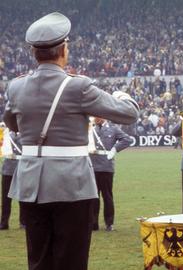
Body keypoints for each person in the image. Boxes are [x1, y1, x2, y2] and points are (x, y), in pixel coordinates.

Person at [3, 12, 139, 270]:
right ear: (64, 50)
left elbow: (12, 124)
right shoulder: (79, 87)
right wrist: (121, 94)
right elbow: (130, 114)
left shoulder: (16, 87)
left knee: (39, 261)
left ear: (34, 53)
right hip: (71, 184)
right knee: (72, 261)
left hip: (31, 184)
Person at [89, 117, 133, 231]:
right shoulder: (90, 128)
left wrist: (115, 149)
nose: (95, 119)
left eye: (97, 117)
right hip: (92, 166)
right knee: (94, 197)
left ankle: (109, 223)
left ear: (103, 117)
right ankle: (93, 223)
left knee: (107, 196)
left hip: (106, 167)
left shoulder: (113, 129)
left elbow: (127, 140)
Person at [0, 128, 25, 229]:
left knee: (23, 196)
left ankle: (23, 222)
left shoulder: (25, 133)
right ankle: (4, 222)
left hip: (21, 167)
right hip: (8, 168)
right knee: (5, 197)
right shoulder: (6, 134)